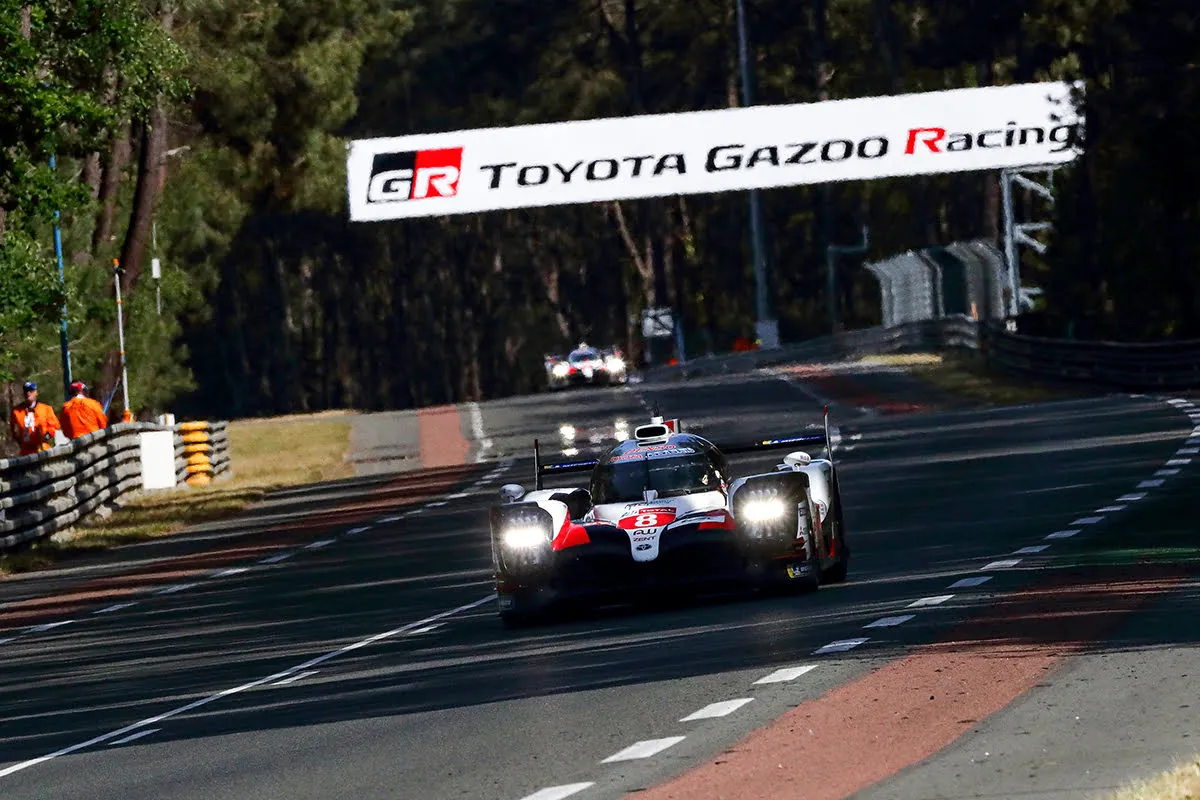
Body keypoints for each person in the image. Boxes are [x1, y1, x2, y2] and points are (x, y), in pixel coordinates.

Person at [9, 381, 61, 456]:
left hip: (42, 448)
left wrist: (46, 436)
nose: (28, 393)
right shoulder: (16, 411)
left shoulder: (46, 409)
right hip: (26, 451)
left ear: (36, 392)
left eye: (31, 391)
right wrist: (20, 441)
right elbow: (13, 430)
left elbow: (55, 426)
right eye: (26, 391)